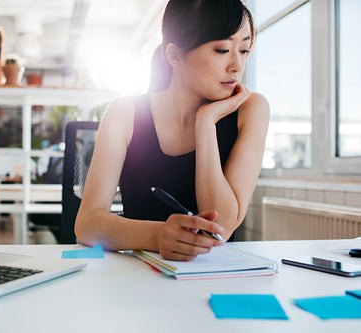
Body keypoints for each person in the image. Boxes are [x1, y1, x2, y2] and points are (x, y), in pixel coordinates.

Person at [74, 0, 269, 261]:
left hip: (214, 278)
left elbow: (221, 226)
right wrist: (157, 235)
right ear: (175, 55)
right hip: (133, 276)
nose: (237, 66)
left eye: (244, 50)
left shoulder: (250, 108)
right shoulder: (125, 112)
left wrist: (206, 122)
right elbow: (87, 224)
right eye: (222, 49)